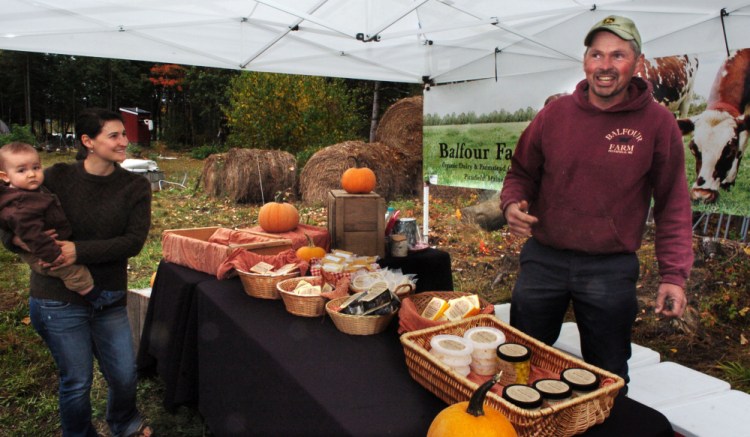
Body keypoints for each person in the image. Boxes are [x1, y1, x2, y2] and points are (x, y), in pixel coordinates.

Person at [500, 15, 693, 384]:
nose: (604, 66)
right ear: (585, 61)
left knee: (607, 372)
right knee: (520, 359)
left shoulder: (657, 123)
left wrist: (674, 275)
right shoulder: (554, 114)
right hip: (544, 261)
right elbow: (521, 173)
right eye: (596, 55)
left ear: (637, 63)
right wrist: (511, 204)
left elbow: (673, 204)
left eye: (617, 55)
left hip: (610, 269)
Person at [1, 109, 153, 437]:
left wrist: (77, 250)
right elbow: (11, 216)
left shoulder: (135, 186)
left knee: (125, 375)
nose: (124, 141)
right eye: (114, 135)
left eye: (124, 134)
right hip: (58, 299)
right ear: (88, 141)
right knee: (78, 381)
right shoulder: (55, 177)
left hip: (110, 294)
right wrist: (18, 239)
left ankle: (124, 421)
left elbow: (134, 242)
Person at [0, 142, 123, 309]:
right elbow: (31, 235)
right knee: (73, 271)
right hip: (43, 251)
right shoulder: (20, 204)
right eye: (22, 170)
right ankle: (95, 296)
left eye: (36, 168)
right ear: (5, 176)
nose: (31, 175)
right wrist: (52, 255)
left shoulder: (29, 191)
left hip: (45, 245)